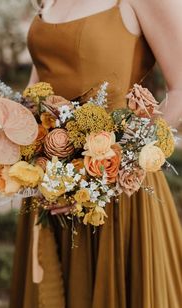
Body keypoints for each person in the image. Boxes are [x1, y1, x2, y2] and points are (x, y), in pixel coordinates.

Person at [10, 1, 182, 307]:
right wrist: (17, 144)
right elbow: (37, 86)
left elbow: (181, 87)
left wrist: (113, 170)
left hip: (115, 190)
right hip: (48, 183)